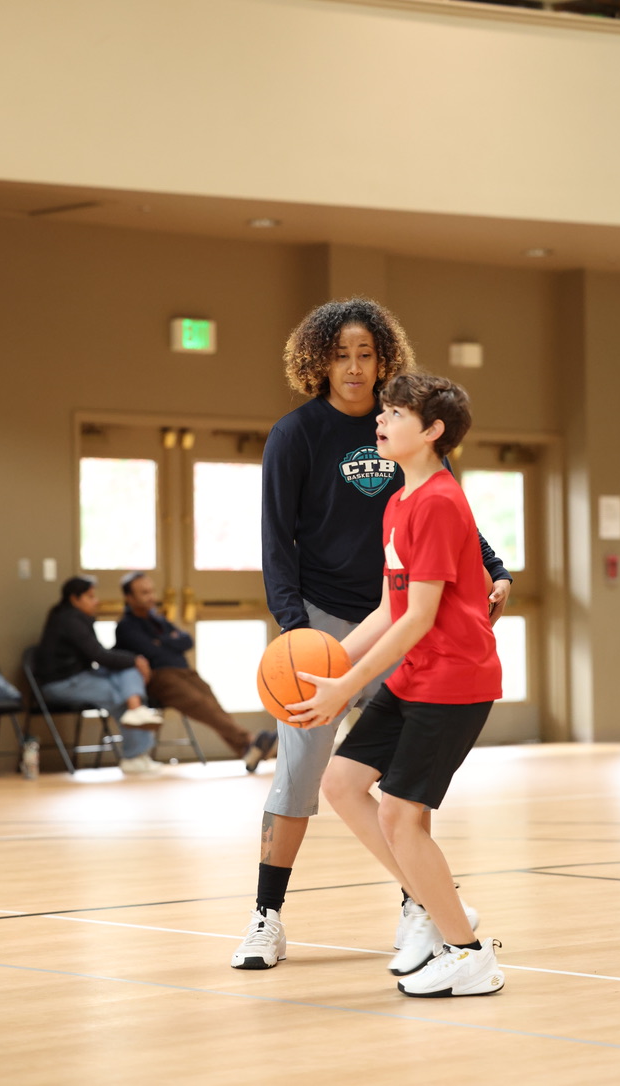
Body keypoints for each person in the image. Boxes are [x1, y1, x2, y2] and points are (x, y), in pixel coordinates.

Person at [231, 297, 511, 970]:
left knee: (403, 786)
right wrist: (299, 636)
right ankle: (267, 915)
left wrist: (493, 567)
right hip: (330, 621)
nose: (355, 369)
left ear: (385, 361)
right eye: (341, 355)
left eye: (366, 355)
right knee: (304, 776)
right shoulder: (297, 435)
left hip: (405, 618)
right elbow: (277, 542)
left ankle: (423, 909)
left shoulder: (407, 438)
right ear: (317, 362)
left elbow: (447, 516)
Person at [297, 372, 504, 997]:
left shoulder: (440, 501)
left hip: (455, 679)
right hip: (419, 675)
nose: (379, 421)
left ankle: (470, 956)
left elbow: (419, 617)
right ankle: (438, 906)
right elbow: (391, 608)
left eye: (394, 413)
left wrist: (346, 688)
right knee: (342, 781)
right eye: (381, 411)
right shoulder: (400, 499)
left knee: (401, 815)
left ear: (434, 430)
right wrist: (331, 659)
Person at [115, 572, 277, 771]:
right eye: (144, 592)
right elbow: (154, 653)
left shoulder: (156, 619)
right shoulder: (126, 627)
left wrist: (164, 641)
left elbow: (186, 640)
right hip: (161, 679)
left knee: (212, 703)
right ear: (129, 598)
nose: (151, 596)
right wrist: (170, 640)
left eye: (151, 591)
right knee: (203, 706)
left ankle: (246, 751)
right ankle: (250, 741)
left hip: (184, 672)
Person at [34, 576, 164, 776]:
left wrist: (133, 661)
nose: (96, 601)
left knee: (128, 673)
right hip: (63, 683)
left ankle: (136, 714)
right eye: (90, 597)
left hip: (82, 675)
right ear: (74, 599)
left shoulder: (79, 618)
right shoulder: (69, 620)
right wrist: (137, 660)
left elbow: (100, 654)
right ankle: (134, 756)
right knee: (120, 695)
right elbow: (98, 655)